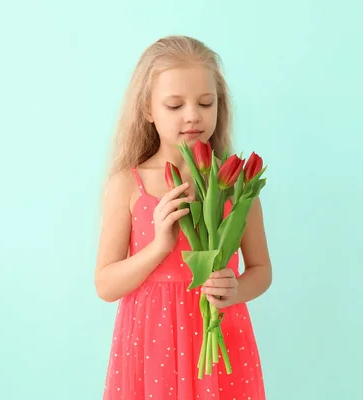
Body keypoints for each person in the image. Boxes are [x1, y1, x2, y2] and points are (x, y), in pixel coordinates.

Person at [95, 35, 272, 399]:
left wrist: (236, 289)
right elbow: (105, 285)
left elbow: (262, 271)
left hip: (222, 336)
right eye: (174, 105)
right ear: (147, 109)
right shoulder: (128, 185)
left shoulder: (238, 185)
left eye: (206, 103)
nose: (193, 115)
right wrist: (159, 247)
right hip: (150, 344)